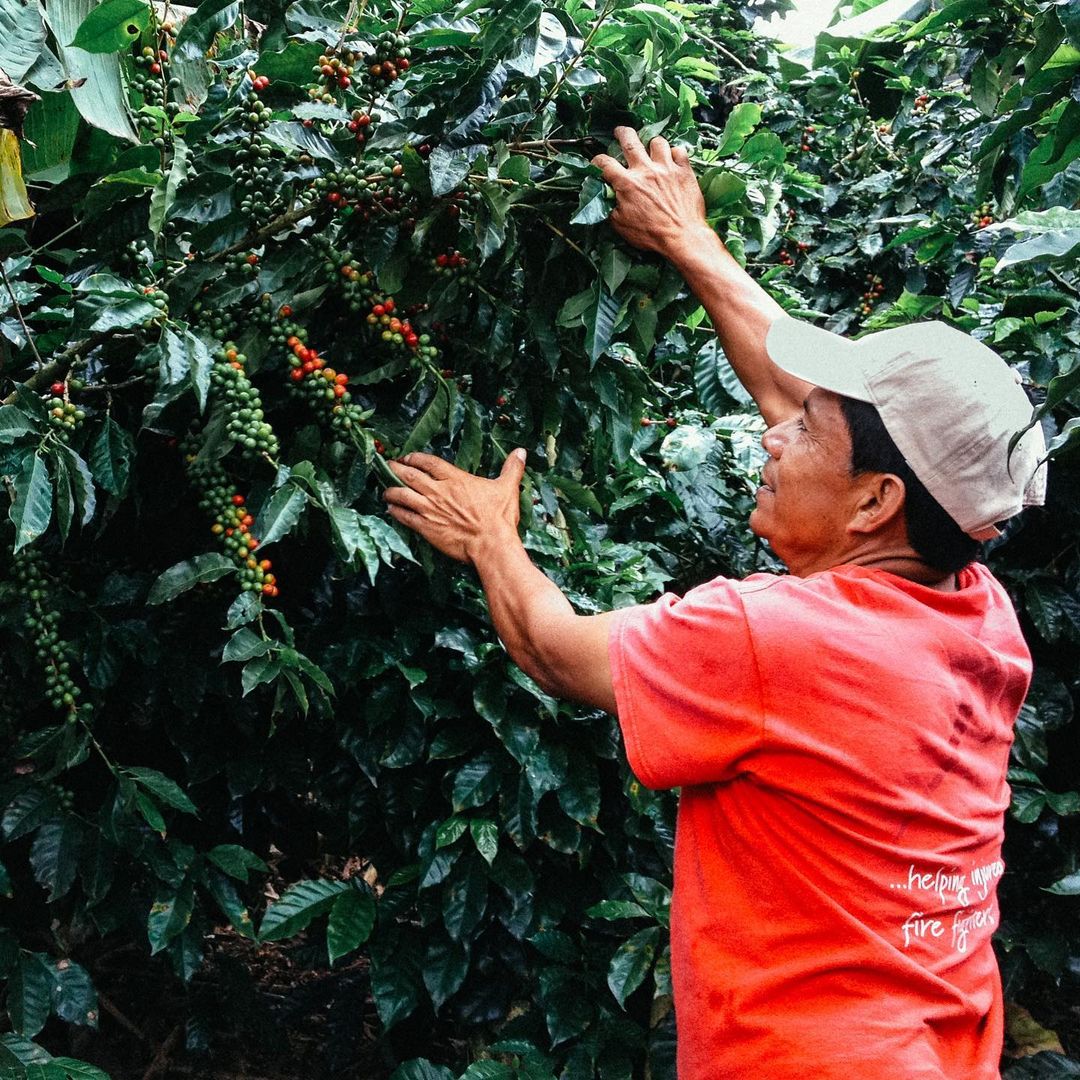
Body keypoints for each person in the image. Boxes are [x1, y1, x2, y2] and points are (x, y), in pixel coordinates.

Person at [383, 128, 1047, 1079]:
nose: (774, 435)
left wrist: (492, 535)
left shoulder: (771, 637)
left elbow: (554, 649)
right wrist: (688, 238)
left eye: (807, 429)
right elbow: (805, 405)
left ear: (873, 504)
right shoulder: (977, 609)